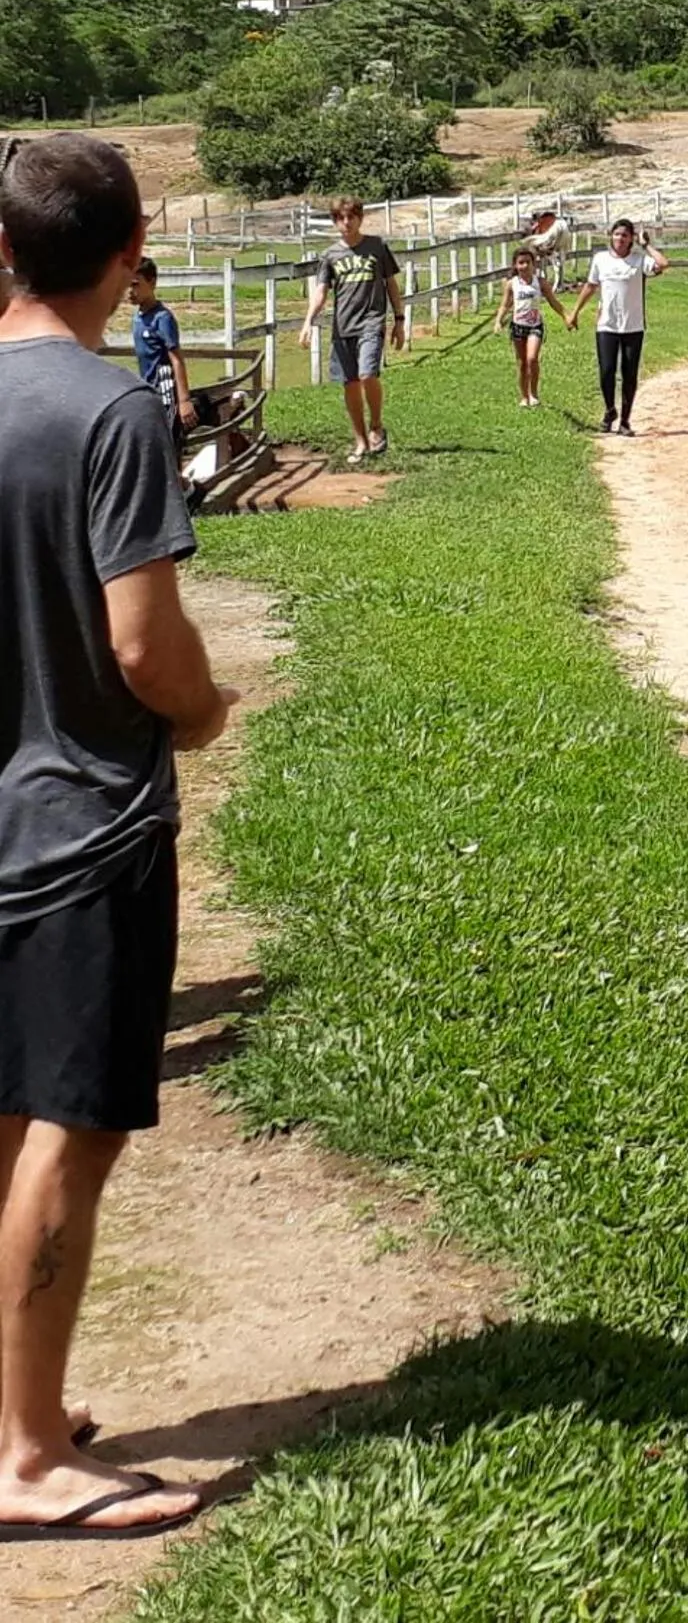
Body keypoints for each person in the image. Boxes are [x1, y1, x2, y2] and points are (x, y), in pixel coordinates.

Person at [0, 133, 237, 1536]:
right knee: (72, 1133)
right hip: (85, 829)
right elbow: (144, 646)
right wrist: (204, 711)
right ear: (132, 251)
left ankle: (10, 1405)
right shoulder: (114, 413)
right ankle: (29, 1458)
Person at [298, 197, 405, 465]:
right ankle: (360, 441)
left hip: (371, 322)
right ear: (335, 222)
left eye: (351, 217)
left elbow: (391, 284)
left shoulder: (377, 247)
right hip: (343, 326)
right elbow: (321, 291)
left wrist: (399, 319)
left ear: (360, 218)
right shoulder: (330, 255)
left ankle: (376, 426)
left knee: (367, 374)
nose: (346, 222)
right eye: (340, 218)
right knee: (351, 383)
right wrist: (308, 321)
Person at [568, 218, 668, 436]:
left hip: (633, 325)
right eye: (617, 234)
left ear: (631, 238)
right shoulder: (600, 259)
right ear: (610, 236)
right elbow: (591, 286)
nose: (620, 239)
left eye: (625, 235)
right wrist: (575, 312)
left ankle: (625, 421)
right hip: (607, 324)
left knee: (629, 374)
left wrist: (646, 245)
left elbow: (663, 264)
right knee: (607, 371)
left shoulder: (639, 260)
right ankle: (610, 410)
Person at [128, 258, 198, 445]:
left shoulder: (162, 318)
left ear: (152, 282)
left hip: (165, 392)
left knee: (167, 442)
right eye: (127, 285)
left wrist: (184, 400)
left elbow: (176, 359)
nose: (130, 291)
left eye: (135, 284)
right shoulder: (138, 318)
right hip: (149, 391)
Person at [492, 246, 569, 408]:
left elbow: (553, 302)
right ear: (515, 265)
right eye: (521, 262)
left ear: (534, 264)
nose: (525, 266)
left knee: (532, 359)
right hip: (518, 327)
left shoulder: (540, 283)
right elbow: (505, 305)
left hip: (535, 326)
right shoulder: (511, 284)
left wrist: (566, 316)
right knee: (522, 363)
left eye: (528, 262)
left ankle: (534, 394)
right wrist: (498, 321)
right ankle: (524, 396)